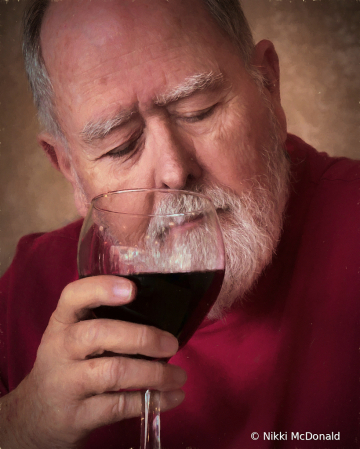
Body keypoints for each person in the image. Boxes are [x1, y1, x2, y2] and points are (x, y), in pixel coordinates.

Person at [0, 0, 359, 447]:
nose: (174, 170)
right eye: (121, 146)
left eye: (199, 110)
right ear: (69, 169)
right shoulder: (24, 293)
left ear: (268, 86)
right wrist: (21, 424)